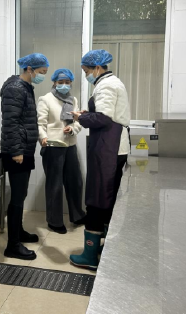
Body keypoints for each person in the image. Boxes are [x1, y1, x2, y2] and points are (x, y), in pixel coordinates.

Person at [69, 50, 130, 271]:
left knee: (98, 198)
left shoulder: (106, 85)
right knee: (106, 196)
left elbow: (103, 118)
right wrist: (89, 112)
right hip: (112, 146)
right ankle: (104, 248)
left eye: (86, 71)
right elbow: (107, 113)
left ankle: (90, 255)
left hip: (108, 149)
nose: (86, 75)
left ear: (97, 68)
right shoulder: (111, 82)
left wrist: (81, 117)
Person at [0, 53, 49, 261]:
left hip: (24, 148)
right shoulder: (15, 88)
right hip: (17, 151)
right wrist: (17, 151)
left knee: (21, 194)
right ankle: (12, 245)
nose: (42, 76)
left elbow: (25, 119)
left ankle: (18, 232)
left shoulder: (26, 87)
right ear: (30, 69)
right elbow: (10, 122)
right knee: (18, 196)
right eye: (41, 72)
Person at [37, 68, 87, 234]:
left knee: (75, 182)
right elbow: (40, 124)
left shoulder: (73, 100)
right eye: (60, 82)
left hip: (70, 145)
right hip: (53, 146)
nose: (64, 85)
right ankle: (54, 221)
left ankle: (77, 215)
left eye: (67, 82)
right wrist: (43, 138)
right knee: (55, 185)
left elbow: (77, 121)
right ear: (54, 82)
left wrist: (72, 129)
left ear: (71, 83)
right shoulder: (46, 99)